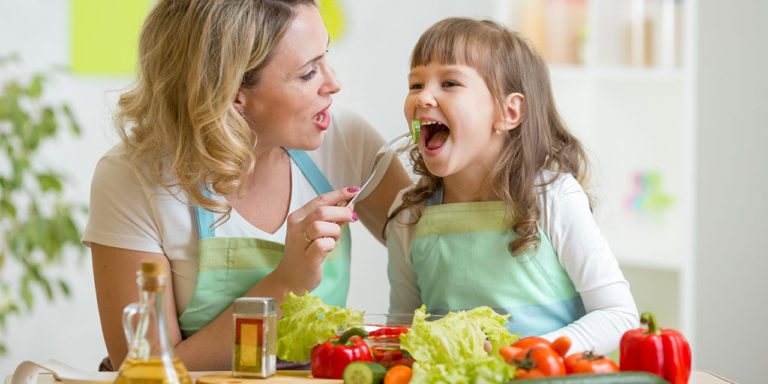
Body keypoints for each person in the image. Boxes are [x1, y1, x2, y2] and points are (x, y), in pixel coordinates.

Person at [83, 0, 410, 371]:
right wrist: (287, 283)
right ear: (233, 91)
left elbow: (432, 244)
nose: (334, 84)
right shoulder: (133, 179)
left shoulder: (343, 139)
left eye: (325, 58)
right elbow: (144, 372)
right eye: (308, 73)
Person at [385, 17, 639, 355]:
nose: (423, 98)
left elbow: (619, 316)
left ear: (508, 112)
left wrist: (526, 354)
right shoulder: (408, 214)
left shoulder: (553, 196)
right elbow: (403, 331)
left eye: (448, 83)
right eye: (415, 85)